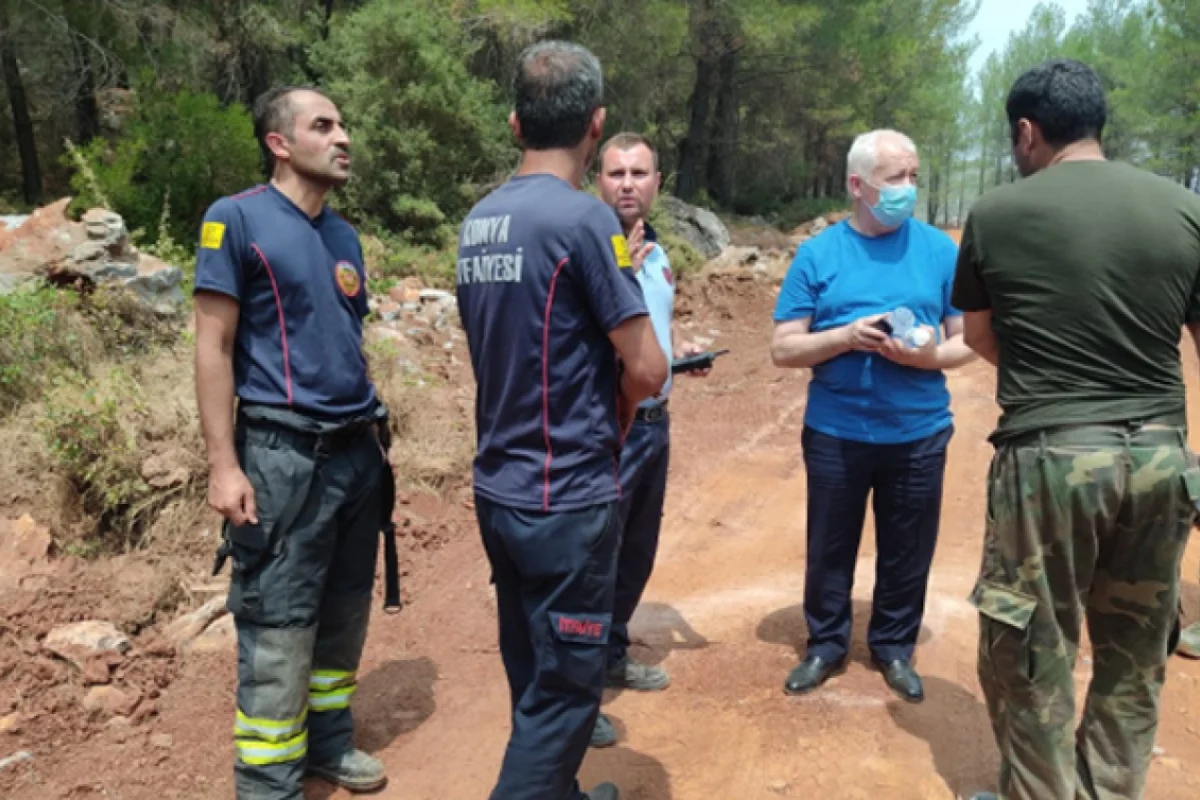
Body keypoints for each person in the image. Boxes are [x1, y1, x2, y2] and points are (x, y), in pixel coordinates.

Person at [952, 58, 1200, 800]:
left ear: (1027, 132)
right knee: (1135, 652)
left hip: (1052, 459)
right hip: (1160, 457)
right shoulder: (1183, 209)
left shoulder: (997, 212)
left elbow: (978, 336)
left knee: (1030, 646)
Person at [455, 41, 668, 800]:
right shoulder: (586, 222)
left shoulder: (479, 221)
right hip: (567, 495)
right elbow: (648, 367)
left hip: (499, 489)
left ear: (516, 124)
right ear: (595, 124)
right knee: (567, 694)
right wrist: (621, 414)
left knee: (531, 665)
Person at [193, 86, 395, 799]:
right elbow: (212, 345)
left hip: (357, 454)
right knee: (279, 621)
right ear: (279, 143)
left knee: (344, 608)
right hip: (283, 458)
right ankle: (268, 782)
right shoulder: (236, 219)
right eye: (324, 126)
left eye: (344, 124)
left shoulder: (344, 236)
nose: (344, 137)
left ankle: (328, 744)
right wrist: (224, 465)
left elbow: (342, 338)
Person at [770, 128, 975, 703]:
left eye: (913, 176)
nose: (907, 188)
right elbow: (783, 347)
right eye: (895, 178)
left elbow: (968, 340)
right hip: (837, 431)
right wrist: (845, 336)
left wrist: (927, 356)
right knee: (829, 545)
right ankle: (825, 644)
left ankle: (893, 647)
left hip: (918, 431)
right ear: (857, 186)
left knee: (908, 547)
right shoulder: (818, 254)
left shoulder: (940, 251)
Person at [590, 132, 711, 748]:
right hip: (611, 428)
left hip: (656, 423)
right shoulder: (591, 249)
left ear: (658, 183)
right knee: (593, 561)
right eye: (616, 173)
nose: (628, 184)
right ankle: (577, 695)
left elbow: (651, 323)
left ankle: (611, 654)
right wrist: (619, 275)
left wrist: (677, 346)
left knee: (636, 552)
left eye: (639, 173)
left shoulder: (655, 252)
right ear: (598, 181)